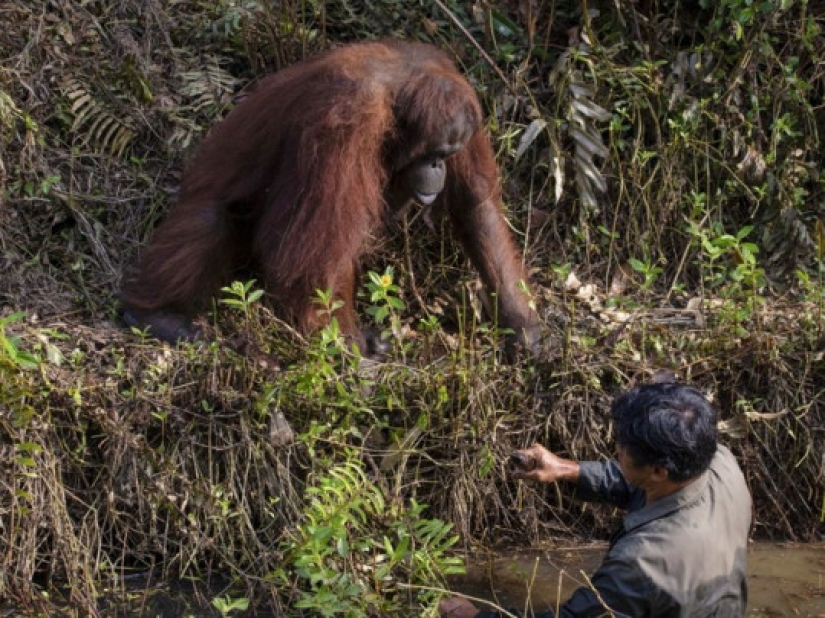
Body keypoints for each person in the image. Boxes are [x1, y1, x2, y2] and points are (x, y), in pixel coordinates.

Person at [439, 382, 752, 618]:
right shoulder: (718, 461)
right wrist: (566, 469)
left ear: (658, 469)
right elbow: (641, 483)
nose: (617, 449)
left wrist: (479, 617)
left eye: (624, 448)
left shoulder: (642, 563)